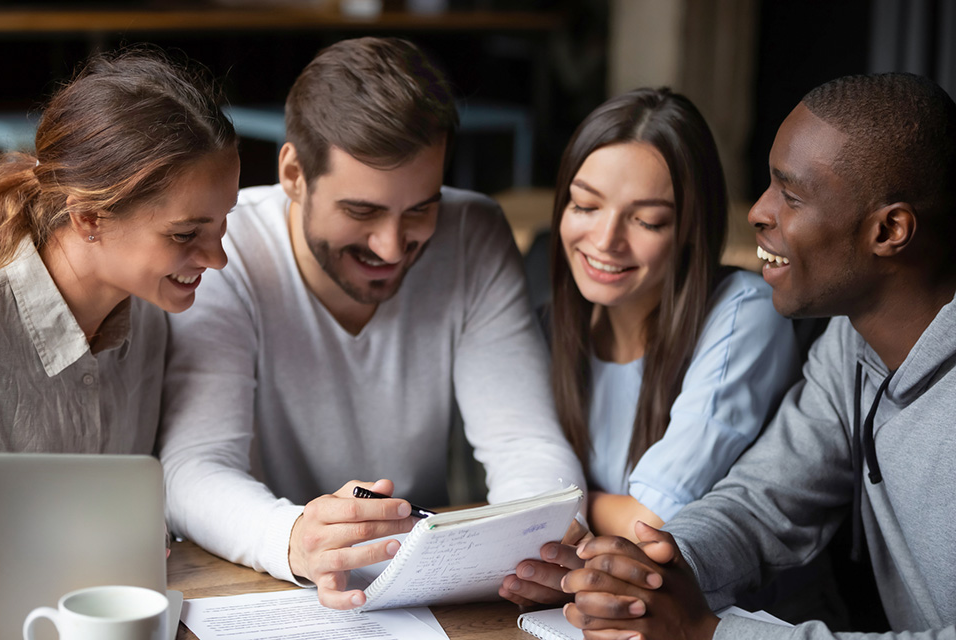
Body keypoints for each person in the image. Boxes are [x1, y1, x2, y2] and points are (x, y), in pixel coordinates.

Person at [157, 36, 585, 610]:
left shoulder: (472, 234)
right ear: (293, 173)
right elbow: (193, 468)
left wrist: (538, 543)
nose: (391, 246)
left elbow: (524, 442)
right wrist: (295, 539)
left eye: (420, 209)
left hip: (421, 580)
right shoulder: (227, 251)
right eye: (361, 211)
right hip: (261, 581)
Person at [561, 72, 956, 639]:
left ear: (889, 229)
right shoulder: (850, 342)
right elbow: (763, 502)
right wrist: (655, 566)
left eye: (791, 196)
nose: (758, 213)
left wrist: (708, 633)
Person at [498, 88, 801, 607]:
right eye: (585, 205)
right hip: (585, 606)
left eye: (647, 220)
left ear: (688, 229)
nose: (606, 239)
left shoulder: (743, 313)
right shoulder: (550, 327)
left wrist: (548, 509)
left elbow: (652, 524)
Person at [0, 47, 238, 453]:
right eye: (184, 234)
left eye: (223, 222)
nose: (218, 259)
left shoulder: (152, 316)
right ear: (88, 217)